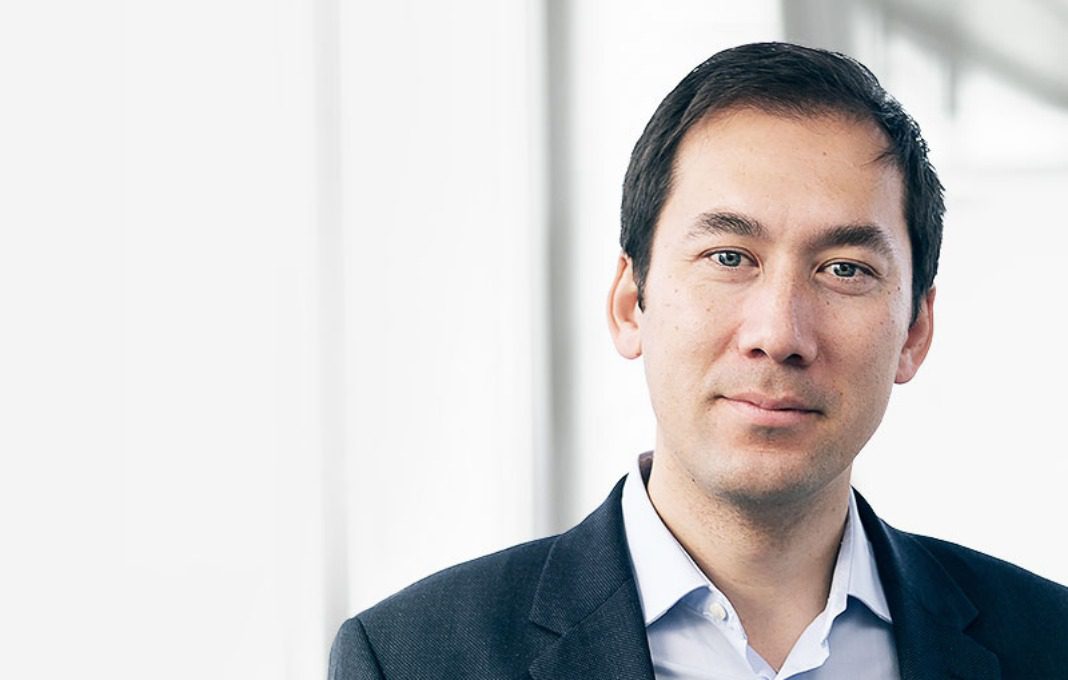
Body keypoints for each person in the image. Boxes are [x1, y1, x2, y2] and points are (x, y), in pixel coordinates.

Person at [329, 42, 1068, 679]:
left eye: (844, 269)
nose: (778, 333)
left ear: (915, 331)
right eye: (728, 256)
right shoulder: (412, 658)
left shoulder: (1047, 642)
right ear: (631, 303)